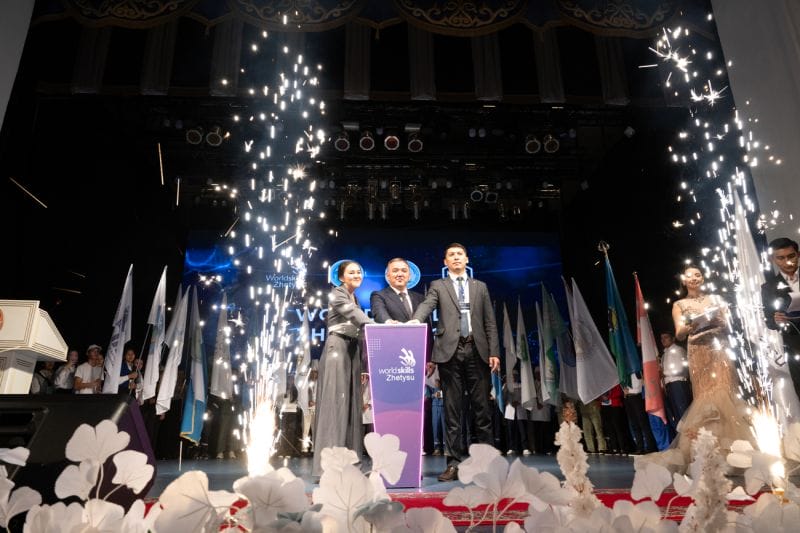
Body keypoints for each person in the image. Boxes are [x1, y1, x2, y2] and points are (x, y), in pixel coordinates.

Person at [645, 265, 752, 468]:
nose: (694, 278)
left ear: (702, 278)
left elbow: (727, 325)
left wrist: (719, 319)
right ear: (683, 281)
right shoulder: (679, 304)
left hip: (719, 348)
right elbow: (679, 334)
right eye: (689, 276)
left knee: (725, 392)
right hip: (698, 352)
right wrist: (692, 324)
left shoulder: (715, 299)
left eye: (698, 275)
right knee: (706, 397)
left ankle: (733, 450)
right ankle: (707, 450)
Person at [410, 243, 500, 482]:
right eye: (451, 255)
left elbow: (490, 322)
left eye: (460, 254)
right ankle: (454, 463)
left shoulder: (480, 286)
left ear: (467, 259)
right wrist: (416, 320)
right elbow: (427, 305)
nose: (456, 257)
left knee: (482, 410)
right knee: (452, 411)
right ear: (445, 262)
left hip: (477, 350)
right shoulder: (438, 285)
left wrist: (494, 351)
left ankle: (487, 464)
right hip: (449, 352)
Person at [312, 260, 374, 477]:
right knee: (335, 406)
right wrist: (376, 326)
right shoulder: (337, 293)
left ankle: (350, 465)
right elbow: (355, 316)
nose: (357, 275)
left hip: (352, 350)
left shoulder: (353, 296)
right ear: (341, 277)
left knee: (352, 407)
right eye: (351, 272)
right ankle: (328, 468)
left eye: (359, 272)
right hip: (337, 348)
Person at [761, 237, 800, 400]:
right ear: (773, 260)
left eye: (791, 256)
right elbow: (769, 321)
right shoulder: (768, 288)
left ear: (798, 254)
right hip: (794, 344)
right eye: (781, 258)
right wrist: (776, 320)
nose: (787, 261)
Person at [370, 257, 424, 323]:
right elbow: (379, 313)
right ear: (388, 276)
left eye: (404, 271)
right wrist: (388, 322)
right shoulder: (378, 296)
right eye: (395, 271)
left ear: (409, 276)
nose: (400, 274)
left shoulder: (420, 298)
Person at [659, 332, 692, 432]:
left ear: (673, 339)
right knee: (676, 415)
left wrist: (664, 373)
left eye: (666, 337)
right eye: (661, 338)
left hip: (678, 384)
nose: (663, 340)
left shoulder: (678, 350)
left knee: (684, 413)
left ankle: (691, 435)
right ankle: (683, 436)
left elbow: (680, 369)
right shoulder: (664, 355)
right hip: (670, 386)